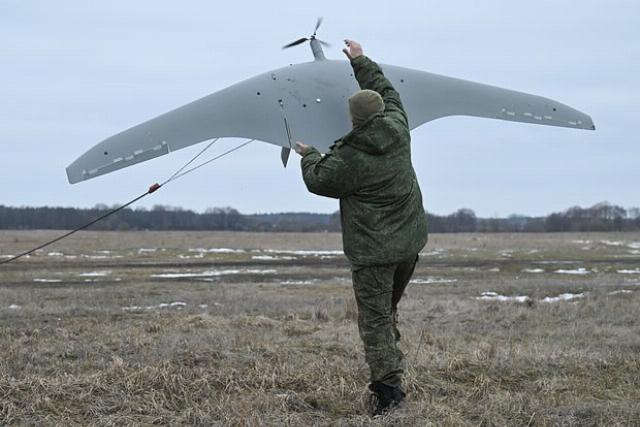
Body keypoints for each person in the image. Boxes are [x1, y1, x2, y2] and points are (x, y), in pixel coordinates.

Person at [294, 39, 428, 416]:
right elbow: (386, 89)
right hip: (409, 246)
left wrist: (310, 156)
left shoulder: (351, 158)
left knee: (374, 322)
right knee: (386, 313)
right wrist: (359, 59)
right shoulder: (399, 127)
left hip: (374, 255)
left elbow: (320, 180)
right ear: (382, 113)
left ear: (354, 120)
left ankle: (389, 394)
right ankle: (392, 359)